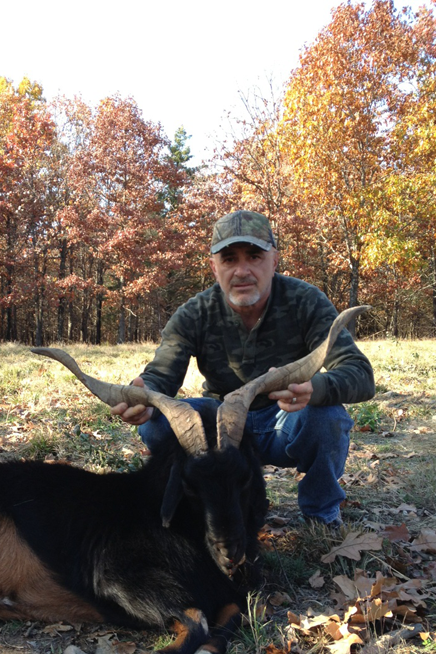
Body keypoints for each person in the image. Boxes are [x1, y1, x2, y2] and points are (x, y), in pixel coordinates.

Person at [111, 210, 375, 528]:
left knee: (327, 418)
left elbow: (359, 373)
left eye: (254, 256)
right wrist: (144, 394)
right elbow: (161, 375)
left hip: (284, 420)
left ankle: (321, 515)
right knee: (154, 424)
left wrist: (314, 389)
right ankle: (202, 505)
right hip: (220, 428)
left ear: (274, 261)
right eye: (229, 259)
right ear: (214, 267)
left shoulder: (306, 301)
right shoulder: (194, 313)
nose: (242, 271)